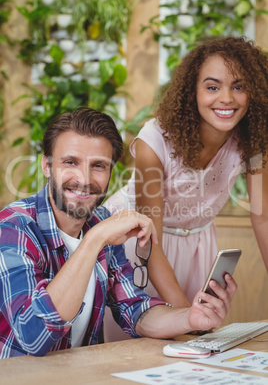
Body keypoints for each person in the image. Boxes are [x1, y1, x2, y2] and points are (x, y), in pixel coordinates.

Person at [0, 107, 237, 358]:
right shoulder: (14, 227)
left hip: (74, 374)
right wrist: (94, 239)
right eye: (71, 162)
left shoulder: (100, 222)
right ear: (46, 166)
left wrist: (190, 318)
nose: (84, 178)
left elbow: (136, 311)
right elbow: (34, 338)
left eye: (99, 166)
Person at [103, 36, 268, 341]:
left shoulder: (251, 141)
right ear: (192, 91)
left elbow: (262, 217)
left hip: (198, 246)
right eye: (212, 86)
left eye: (239, 86)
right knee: (145, 342)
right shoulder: (155, 140)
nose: (227, 99)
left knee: (186, 359)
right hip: (139, 246)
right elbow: (149, 240)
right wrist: (188, 321)